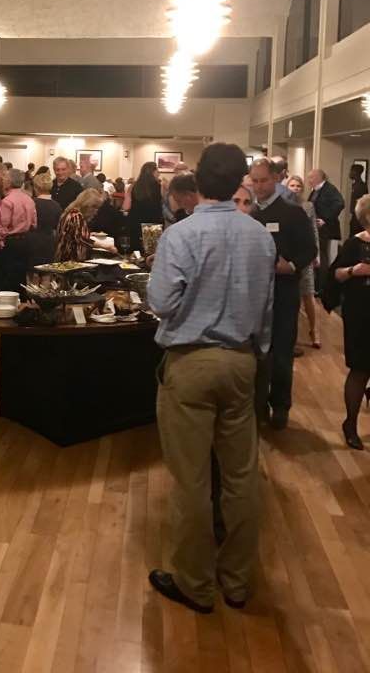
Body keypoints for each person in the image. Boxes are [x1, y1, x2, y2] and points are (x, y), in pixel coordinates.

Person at [147, 142, 276, 614]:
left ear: (199, 180)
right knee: (241, 477)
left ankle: (195, 584)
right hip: (242, 360)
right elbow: (266, 307)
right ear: (240, 180)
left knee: (192, 479)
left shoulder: (181, 235)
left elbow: (161, 302)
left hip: (191, 362)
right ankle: (237, 581)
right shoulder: (259, 236)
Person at [250, 158, 316, 429]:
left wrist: (291, 266)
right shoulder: (249, 213)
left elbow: (310, 249)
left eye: (263, 180)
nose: (259, 186)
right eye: (255, 181)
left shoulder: (293, 212)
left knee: (281, 352)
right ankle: (257, 406)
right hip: (254, 293)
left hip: (284, 291)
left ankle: (280, 406)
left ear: (275, 179)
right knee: (256, 352)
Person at [328, 194, 370, 450]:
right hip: (361, 314)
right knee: (360, 369)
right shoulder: (355, 244)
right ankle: (350, 424)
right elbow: (335, 275)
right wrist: (355, 270)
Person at [286, 175, 321, 349]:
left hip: (305, 254)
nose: (295, 188)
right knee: (291, 298)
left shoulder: (308, 206)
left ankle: (314, 330)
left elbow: (313, 230)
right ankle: (292, 334)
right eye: (292, 185)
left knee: (308, 293)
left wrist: (317, 254)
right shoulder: (283, 206)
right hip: (289, 256)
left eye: (298, 185)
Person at [0, 168, 38, 293]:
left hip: (11, 243)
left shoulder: (8, 201)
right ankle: (21, 300)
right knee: (21, 276)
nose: (3, 180)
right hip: (26, 241)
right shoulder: (29, 199)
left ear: (9, 181)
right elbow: (34, 223)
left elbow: (2, 226)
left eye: (5, 178)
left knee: (7, 277)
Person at [309, 168, 345, 294]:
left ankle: (322, 287)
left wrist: (325, 219)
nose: (309, 180)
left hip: (326, 230)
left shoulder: (329, 189)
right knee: (319, 255)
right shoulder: (315, 190)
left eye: (311, 177)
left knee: (323, 257)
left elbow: (340, 203)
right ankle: (318, 284)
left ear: (319, 177)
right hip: (317, 229)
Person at [54, 188, 105, 262]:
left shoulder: (70, 212)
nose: (96, 211)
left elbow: (72, 234)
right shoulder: (77, 216)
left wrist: (88, 234)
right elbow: (82, 239)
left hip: (63, 257)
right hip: (70, 259)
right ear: (86, 204)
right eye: (94, 207)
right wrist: (105, 246)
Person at [27, 170, 62, 268]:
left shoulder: (31, 203)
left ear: (36, 187)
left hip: (32, 241)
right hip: (49, 242)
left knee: (32, 271)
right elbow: (57, 227)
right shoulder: (56, 206)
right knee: (46, 271)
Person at [349, 163, 368, 236]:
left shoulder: (361, 186)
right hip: (354, 215)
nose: (350, 173)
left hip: (358, 217)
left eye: (351, 171)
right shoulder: (354, 185)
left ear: (355, 172)